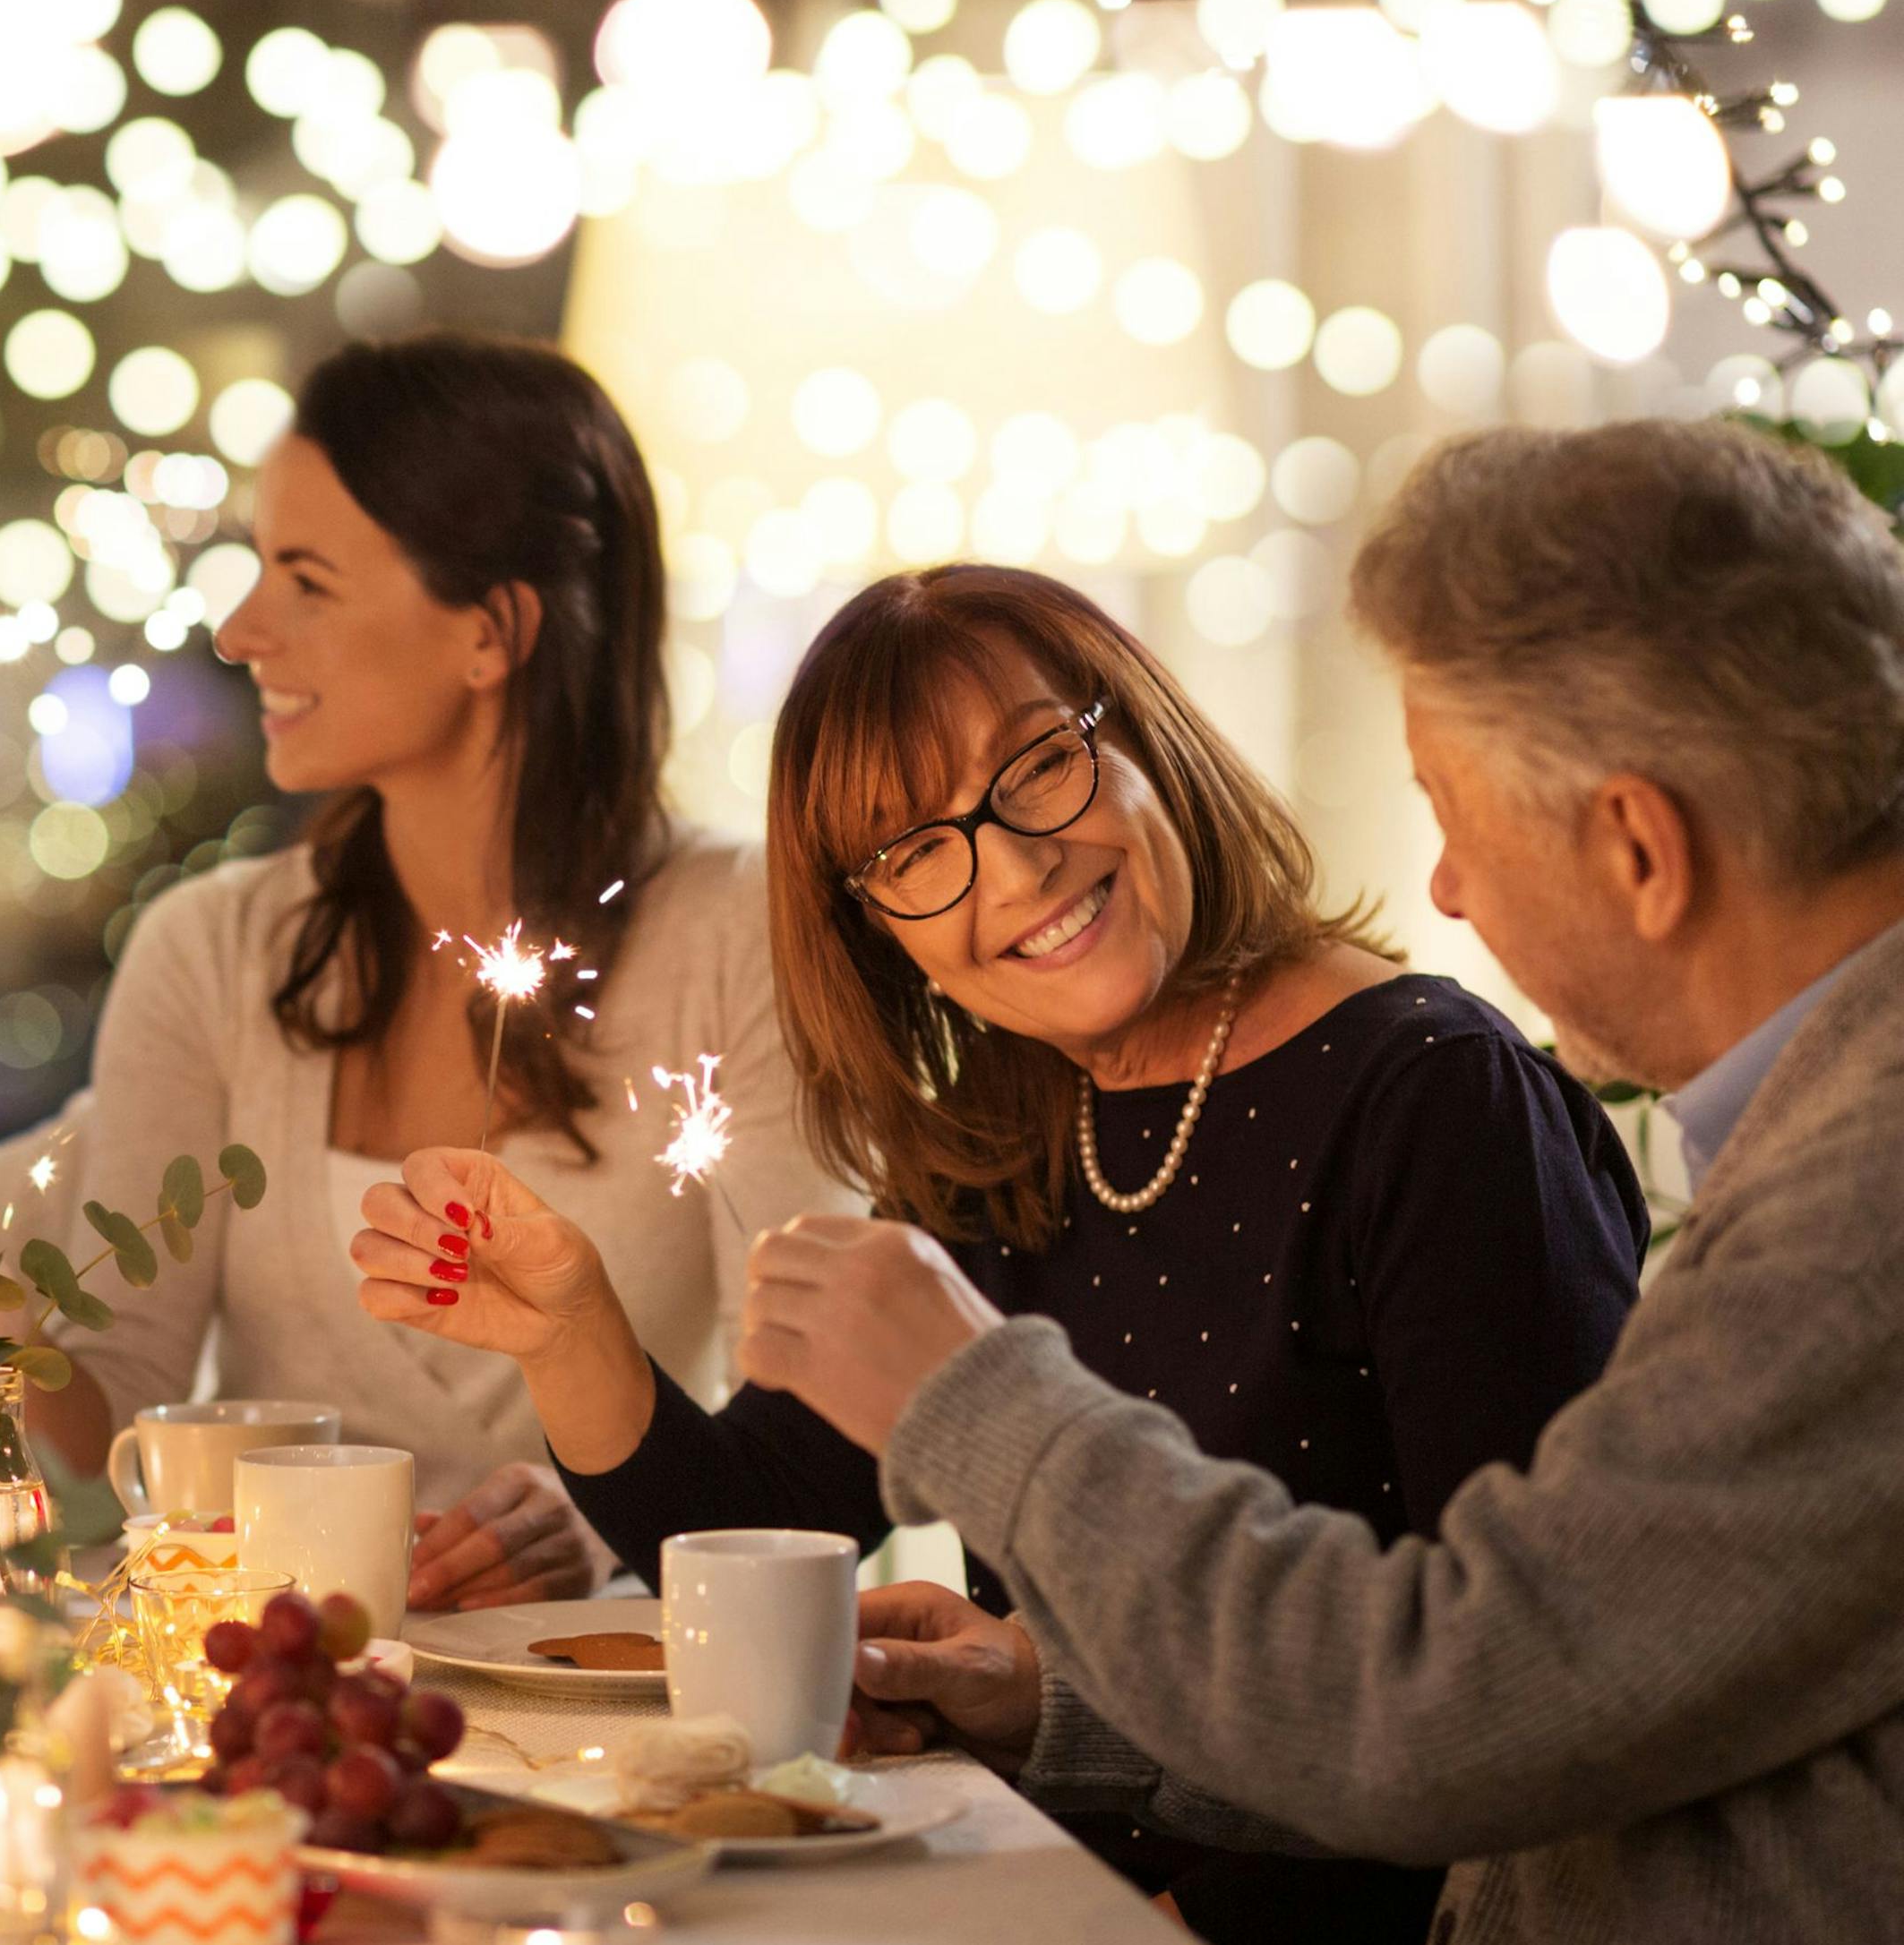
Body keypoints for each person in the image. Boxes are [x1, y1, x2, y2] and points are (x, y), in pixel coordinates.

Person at [735, 422, 1904, 1941]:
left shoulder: (1853, 1221)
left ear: (1637, 848)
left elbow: (1464, 1721)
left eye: (1455, 816)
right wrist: (1052, 1700)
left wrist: (978, 1408)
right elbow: (1544, 1695)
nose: (1446, 892)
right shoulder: (1823, 1136)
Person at [356, 563, 1642, 1939]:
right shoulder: (1003, 1138)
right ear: (881, 935)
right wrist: (572, 1328)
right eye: (912, 852)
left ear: (1142, 731)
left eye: (1039, 765)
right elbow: (754, 1536)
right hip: (1039, 1885)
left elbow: (1521, 1706)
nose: (1016, 866)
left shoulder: (1440, 1099)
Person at [0, 331, 844, 1611]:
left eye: (307, 579)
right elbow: (125, 1432)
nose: (240, 629)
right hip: (273, 1683)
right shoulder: (213, 953)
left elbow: (812, 1427)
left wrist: (601, 1515)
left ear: (492, 632)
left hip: (608, 1713)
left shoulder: (741, 932)